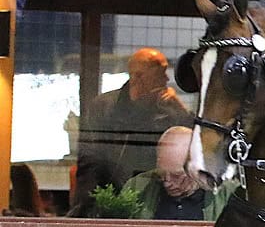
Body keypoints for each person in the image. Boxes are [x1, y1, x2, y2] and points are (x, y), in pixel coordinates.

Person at [72, 48, 191, 216]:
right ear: (138, 77)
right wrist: (93, 208)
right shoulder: (103, 107)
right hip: (112, 196)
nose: (166, 79)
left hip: (156, 200)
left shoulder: (169, 110)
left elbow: (192, 144)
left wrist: (178, 108)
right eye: (160, 73)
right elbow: (90, 163)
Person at [120, 126, 235, 221]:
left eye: (176, 176)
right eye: (161, 174)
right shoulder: (137, 188)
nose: (167, 183)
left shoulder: (228, 195)